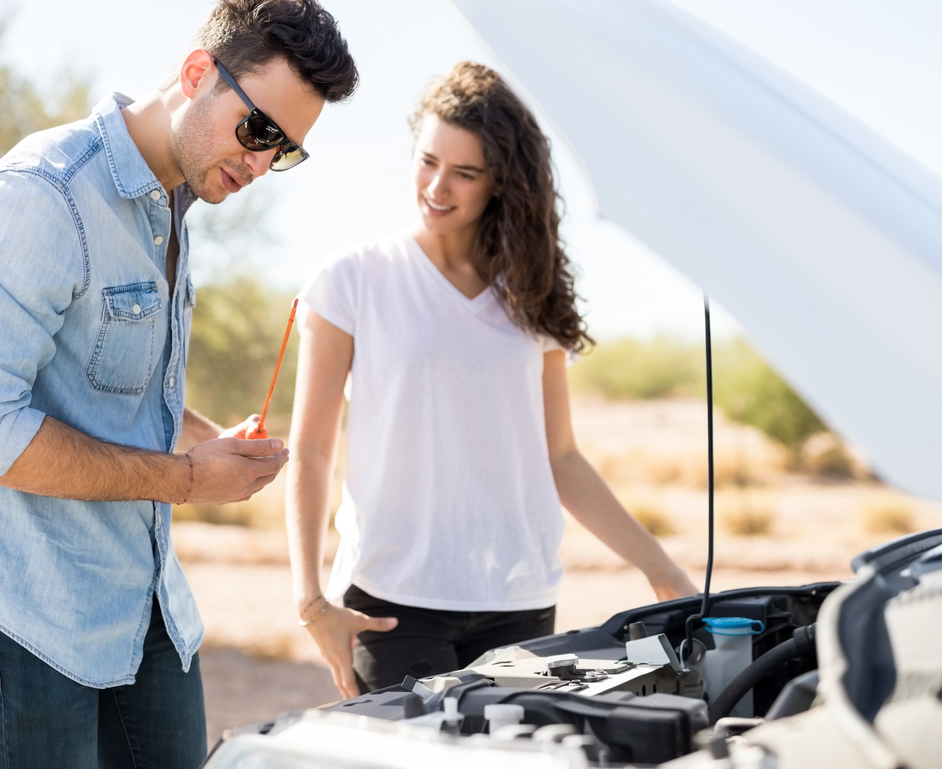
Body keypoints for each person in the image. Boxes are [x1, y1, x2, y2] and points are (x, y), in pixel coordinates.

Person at [0, 0, 358, 768]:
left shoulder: (174, 204)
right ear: (196, 73)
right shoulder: (42, 195)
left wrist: (207, 442)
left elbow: (115, 383)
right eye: (256, 128)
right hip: (28, 607)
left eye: (283, 149)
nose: (260, 162)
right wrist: (189, 479)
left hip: (144, 603)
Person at [286, 61, 698, 698]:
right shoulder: (352, 281)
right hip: (392, 605)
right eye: (427, 161)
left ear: (501, 182)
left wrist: (663, 571)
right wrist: (311, 599)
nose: (437, 186)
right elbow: (312, 449)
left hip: (520, 603)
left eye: (465, 173)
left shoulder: (531, 295)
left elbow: (560, 456)